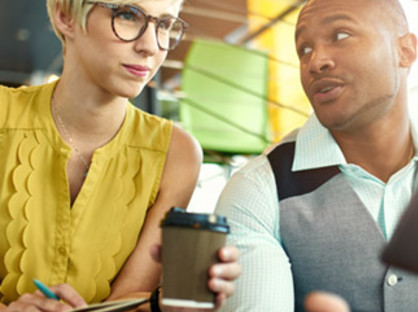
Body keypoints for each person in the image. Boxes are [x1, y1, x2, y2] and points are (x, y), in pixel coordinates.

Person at [214, 0, 418, 311]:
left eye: (341, 35)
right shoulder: (257, 189)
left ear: (405, 51)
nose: (316, 61)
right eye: (304, 49)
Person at [0, 0, 239, 311]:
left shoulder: (176, 154)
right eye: (127, 15)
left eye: (164, 25)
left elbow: (130, 299)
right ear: (65, 16)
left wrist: (167, 304)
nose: (151, 46)